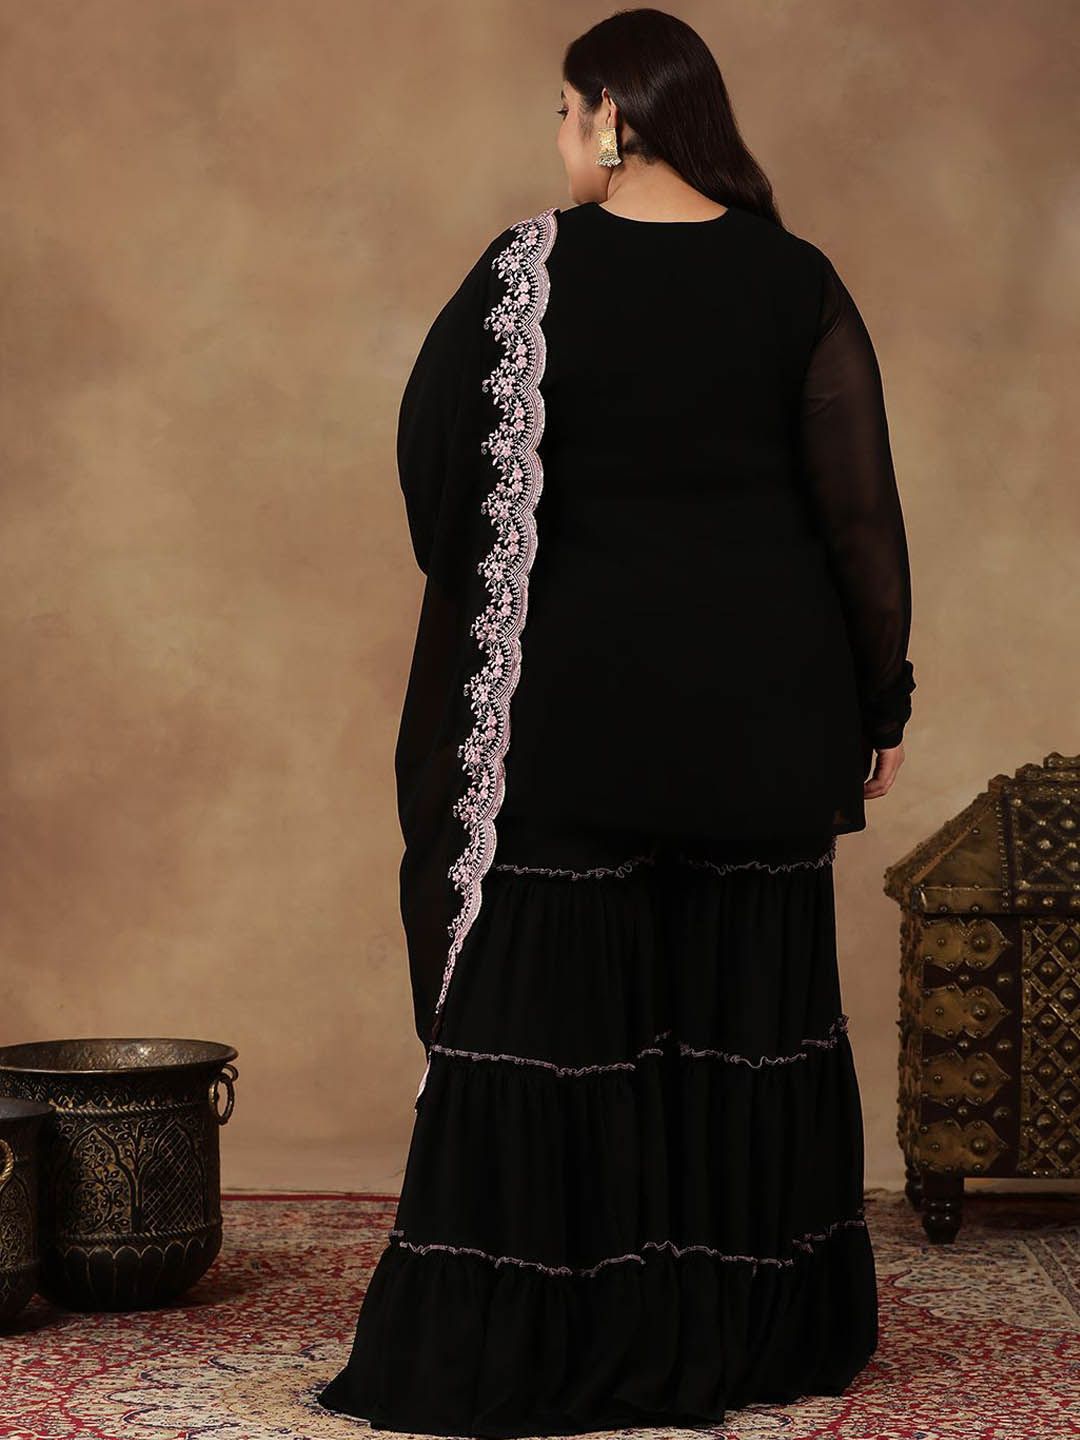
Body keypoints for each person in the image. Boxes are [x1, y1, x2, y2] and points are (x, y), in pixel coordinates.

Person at [317, 7, 916, 1434]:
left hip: (573, 713)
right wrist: (878, 697)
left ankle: (540, 1336)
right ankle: (748, 1334)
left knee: (555, 1024)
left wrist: (505, 578)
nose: (559, 138)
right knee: (736, 1016)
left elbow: (432, 458)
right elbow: (860, 514)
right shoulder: (794, 277)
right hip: (764, 718)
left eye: (563, 110)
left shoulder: (528, 270)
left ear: (613, 115)